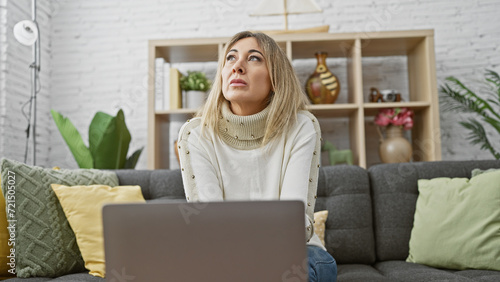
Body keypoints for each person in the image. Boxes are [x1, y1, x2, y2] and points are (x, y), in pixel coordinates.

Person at [177, 31, 337, 282]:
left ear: (275, 78)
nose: (237, 67)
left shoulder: (301, 126)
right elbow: (209, 228)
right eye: (230, 58)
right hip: (226, 257)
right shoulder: (196, 135)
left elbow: (294, 224)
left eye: (253, 59)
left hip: (296, 252)